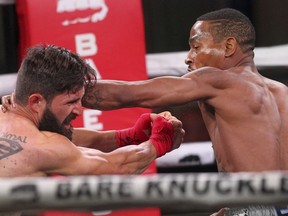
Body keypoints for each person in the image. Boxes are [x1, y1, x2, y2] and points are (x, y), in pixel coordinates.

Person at [75, 8, 288, 173]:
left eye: (196, 47)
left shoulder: (217, 80)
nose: (188, 57)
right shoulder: (282, 92)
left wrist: (61, 89)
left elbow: (130, 93)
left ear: (229, 47)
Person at [0, 44, 185, 179]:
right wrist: (159, 142)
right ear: (36, 101)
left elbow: (73, 141)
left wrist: (129, 136)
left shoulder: (17, 119)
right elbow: (118, 166)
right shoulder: (43, 147)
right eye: (71, 102)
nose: (79, 111)